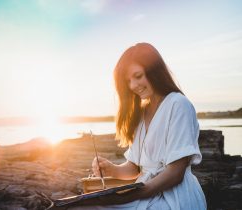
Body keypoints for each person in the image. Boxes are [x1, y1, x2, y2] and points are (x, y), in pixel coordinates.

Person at [70, 43, 207, 210]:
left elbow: (175, 173)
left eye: (138, 76)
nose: (133, 85)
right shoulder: (142, 114)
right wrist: (111, 169)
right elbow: (134, 168)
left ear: (155, 71)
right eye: (128, 81)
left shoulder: (178, 104)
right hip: (145, 194)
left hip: (173, 199)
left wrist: (125, 197)